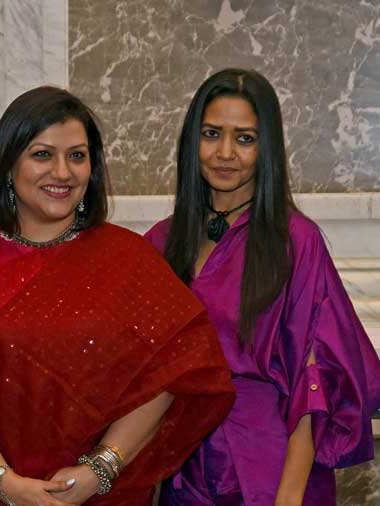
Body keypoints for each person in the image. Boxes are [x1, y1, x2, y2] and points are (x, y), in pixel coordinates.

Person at [0, 85, 236, 506]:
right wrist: (7, 484)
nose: (62, 172)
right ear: (8, 165)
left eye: (77, 156)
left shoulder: (127, 257)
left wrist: (101, 468)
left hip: (102, 493)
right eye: (42, 154)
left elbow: (174, 370)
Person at [146, 68, 380, 505]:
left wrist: (288, 497)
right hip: (185, 471)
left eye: (245, 138)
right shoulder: (160, 242)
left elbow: (316, 382)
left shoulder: (295, 241)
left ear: (266, 148)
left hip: (272, 467)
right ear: (191, 142)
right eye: (212, 133)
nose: (226, 153)